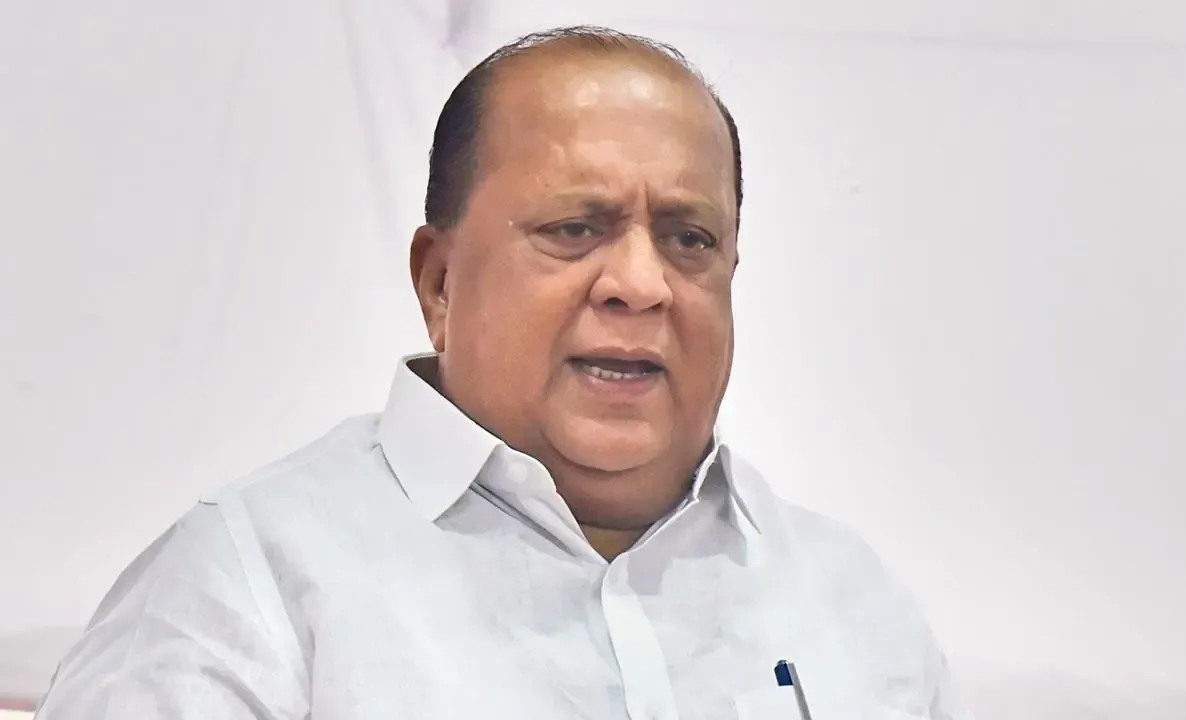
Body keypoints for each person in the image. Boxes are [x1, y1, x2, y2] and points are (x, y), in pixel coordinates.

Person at [36, 26, 971, 719]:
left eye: (690, 239)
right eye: (576, 229)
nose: (641, 285)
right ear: (439, 282)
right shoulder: (245, 589)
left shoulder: (852, 606)